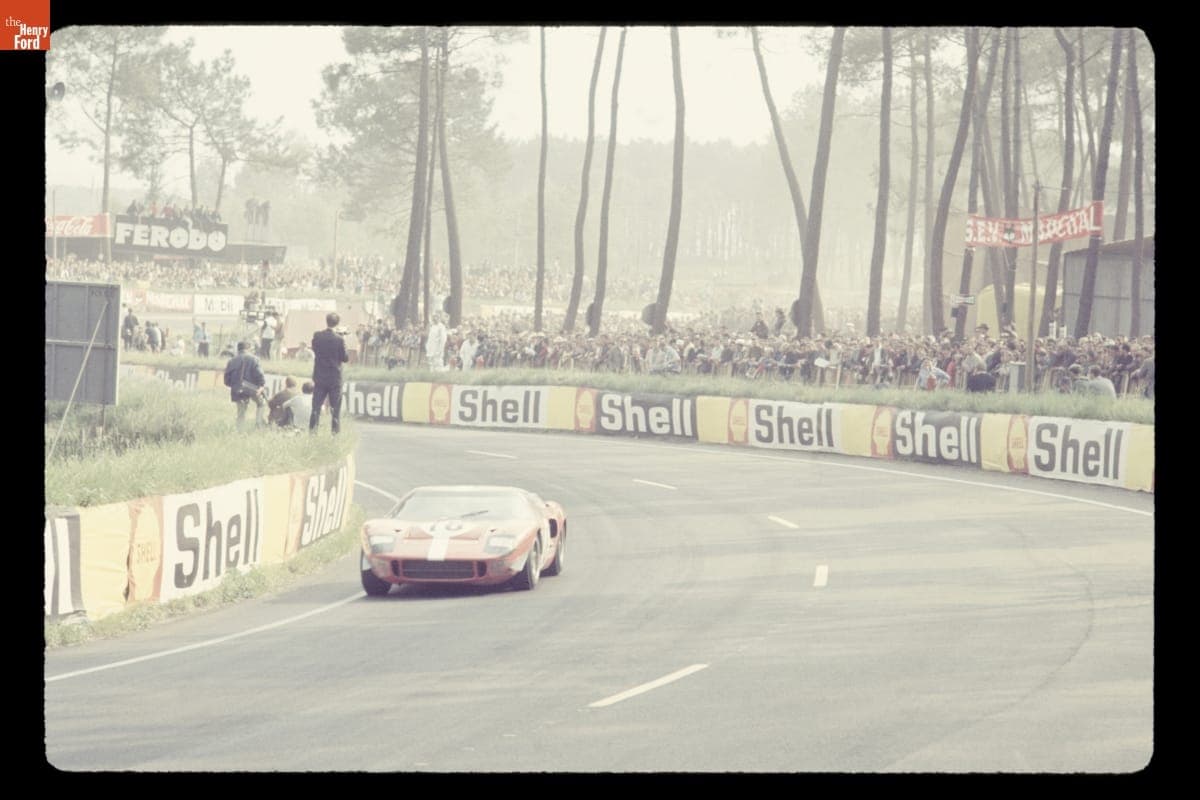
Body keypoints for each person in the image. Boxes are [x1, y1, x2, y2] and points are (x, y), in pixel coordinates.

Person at [310, 312, 349, 435]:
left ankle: (312, 433)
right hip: (334, 378)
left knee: (316, 408)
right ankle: (335, 435)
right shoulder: (339, 339)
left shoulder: (317, 336)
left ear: (326, 321)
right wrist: (343, 339)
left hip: (320, 377)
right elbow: (345, 358)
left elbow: (315, 349)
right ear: (337, 323)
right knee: (335, 409)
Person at [223, 341, 266, 431]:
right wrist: (261, 386)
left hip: (237, 389)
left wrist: (235, 385)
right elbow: (259, 375)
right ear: (248, 349)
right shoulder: (254, 359)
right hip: (250, 388)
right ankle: (258, 423)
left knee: (241, 412)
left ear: (238, 349)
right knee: (261, 403)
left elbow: (226, 380)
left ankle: (240, 431)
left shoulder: (231, 361)